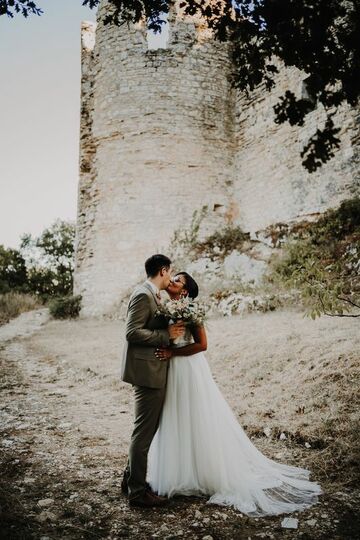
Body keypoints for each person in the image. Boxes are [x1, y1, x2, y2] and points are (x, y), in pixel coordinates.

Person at [147, 272, 322, 516]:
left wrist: (173, 353)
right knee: (175, 416)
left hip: (189, 369)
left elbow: (202, 345)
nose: (173, 281)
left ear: (185, 292)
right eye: (173, 277)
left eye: (179, 281)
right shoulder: (164, 307)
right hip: (171, 370)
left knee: (196, 417)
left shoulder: (190, 311)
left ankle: (205, 472)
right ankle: (180, 472)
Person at [120, 254, 185, 507]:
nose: (170, 277)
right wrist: (164, 335)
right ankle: (137, 492)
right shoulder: (143, 294)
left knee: (145, 431)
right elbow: (131, 332)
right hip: (147, 373)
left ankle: (129, 480)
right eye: (170, 272)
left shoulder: (153, 295)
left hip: (153, 370)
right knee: (143, 434)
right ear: (163, 270)